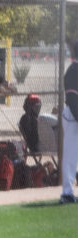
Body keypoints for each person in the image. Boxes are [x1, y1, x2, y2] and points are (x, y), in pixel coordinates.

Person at [60, 41, 78, 204]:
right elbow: (72, 100)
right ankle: (67, 193)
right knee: (71, 156)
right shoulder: (73, 71)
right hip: (73, 117)